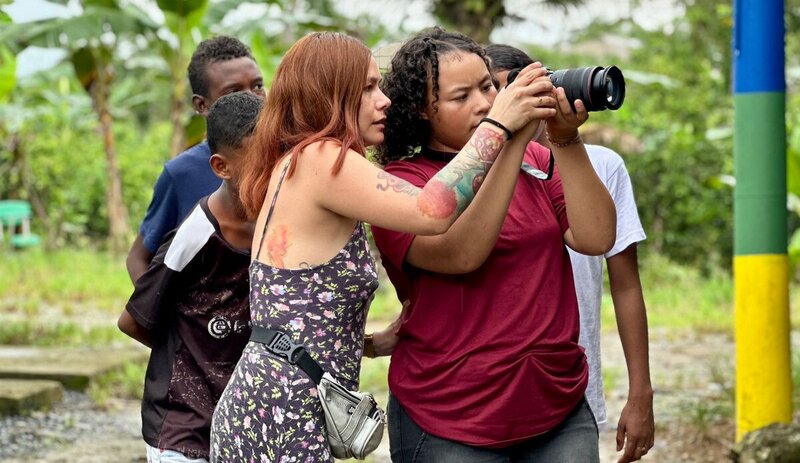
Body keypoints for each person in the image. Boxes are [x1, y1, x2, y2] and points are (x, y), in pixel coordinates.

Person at [208, 31, 554, 462]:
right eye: (369, 88)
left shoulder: (304, 160)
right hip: (281, 407)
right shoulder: (322, 158)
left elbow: (293, 313)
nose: (384, 100)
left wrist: (369, 343)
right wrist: (499, 124)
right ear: (332, 95)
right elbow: (433, 210)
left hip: (278, 399)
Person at [370, 27, 616, 462]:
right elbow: (462, 255)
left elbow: (596, 237)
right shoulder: (401, 183)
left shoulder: (537, 159)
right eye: (461, 96)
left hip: (555, 405)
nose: (485, 103)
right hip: (450, 416)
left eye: (487, 86)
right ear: (422, 111)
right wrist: (507, 139)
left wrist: (565, 138)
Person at [485, 43, 655, 463]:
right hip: (489, 395)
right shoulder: (469, 170)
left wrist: (641, 392)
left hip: (573, 389)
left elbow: (626, 286)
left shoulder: (603, 166)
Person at [118, 91, 263, 463]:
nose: (271, 172)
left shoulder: (274, 228)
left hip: (240, 420)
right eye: (259, 163)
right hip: (181, 428)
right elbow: (132, 321)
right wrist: (192, 354)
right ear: (222, 167)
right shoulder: (196, 234)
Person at [126, 35, 266, 283]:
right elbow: (138, 257)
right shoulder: (181, 174)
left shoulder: (287, 158)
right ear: (202, 105)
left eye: (257, 86)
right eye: (233, 92)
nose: (251, 99)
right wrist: (154, 304)